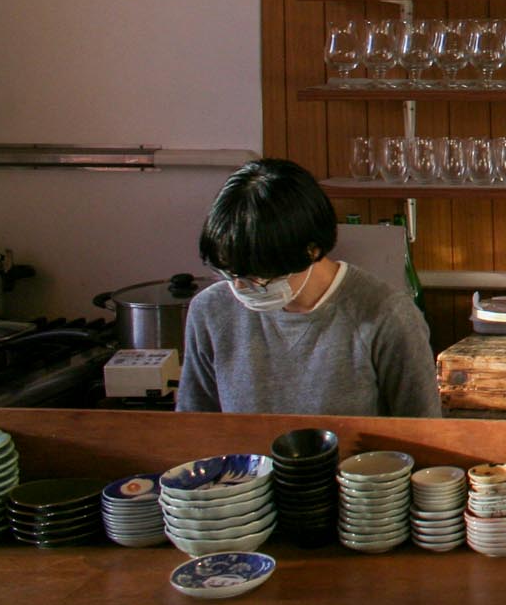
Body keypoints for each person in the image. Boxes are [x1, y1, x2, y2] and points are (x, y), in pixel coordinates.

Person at [177, 158, 442, 417]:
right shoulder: (211, 310)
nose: (238, 287)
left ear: (311, 250)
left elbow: (424, 434)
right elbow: (194, 428)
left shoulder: (386, 315)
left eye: (259, 278)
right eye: (229, 273)